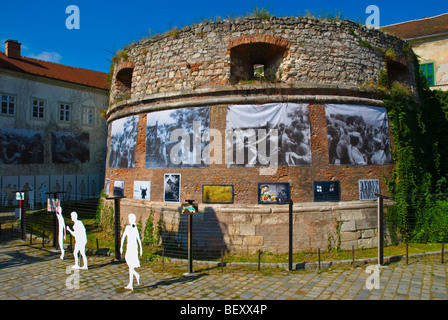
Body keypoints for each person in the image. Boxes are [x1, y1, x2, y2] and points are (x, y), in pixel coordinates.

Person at [120, 213, 142, 290]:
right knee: (128, 261)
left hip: (133, 247)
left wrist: (141, 248)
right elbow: (123, 237)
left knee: (131, 265)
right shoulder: (127, 227)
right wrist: (121, 246)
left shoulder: (135, 228)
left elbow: (138, 238)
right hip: (129, 246)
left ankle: (131, 284)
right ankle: (135, 275)